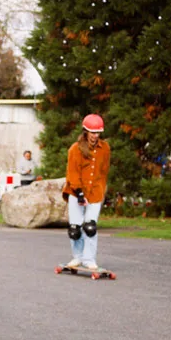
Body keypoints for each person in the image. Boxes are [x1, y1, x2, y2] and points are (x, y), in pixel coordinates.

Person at [62, 114, 111, 271]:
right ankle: (77, 257)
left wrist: (102, 190)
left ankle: (89, 259)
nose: (95, 136)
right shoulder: (75, 149)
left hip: (95, 192)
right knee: (75, 228)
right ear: (85, 131)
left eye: (97, 133)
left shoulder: (105, 149)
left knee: (90, 227)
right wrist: (79, 192)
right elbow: (72, 173)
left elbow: (104, 171)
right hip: (76, 192)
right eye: (92, 132)